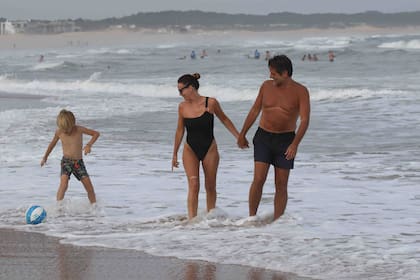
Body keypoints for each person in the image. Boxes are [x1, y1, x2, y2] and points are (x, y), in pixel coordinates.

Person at [237, 55, 310, 221]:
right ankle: (252, 218)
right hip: (263, 137)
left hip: (286, 141)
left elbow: (305, 120)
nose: (270, 76)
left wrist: (295, 144)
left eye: (273, 73)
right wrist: (242, 134)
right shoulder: (266, 86)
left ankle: (278, 221)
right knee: (259, 179)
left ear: (285, 73)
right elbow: (255, 110)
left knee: (281, 183)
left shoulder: (301, 91)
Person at [172, 73, 240, 219]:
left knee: (210, 185)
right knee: (194, 184)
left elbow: (225, 120)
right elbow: (179, 130)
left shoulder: (211, 103)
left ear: (191, 87)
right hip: (190, 149)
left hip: (210, 148)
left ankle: (211, 219)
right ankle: (192, 220)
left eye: (181, 90)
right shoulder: (182, 107)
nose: (180, 94)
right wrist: (174, 153)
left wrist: (238, 137)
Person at [41, 109, 100, 204]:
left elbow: (96, 134)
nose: (65, 131)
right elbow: (52, 144)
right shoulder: (59, 132)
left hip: (78, 163)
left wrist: (89, 145)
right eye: (62, 129)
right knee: (64, 184)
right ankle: (58, 206)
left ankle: (94, 207)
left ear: (73, 124)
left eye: (67, 129)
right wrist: (45, 157)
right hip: (66, 162)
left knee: (89, 187)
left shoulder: (79, 129)